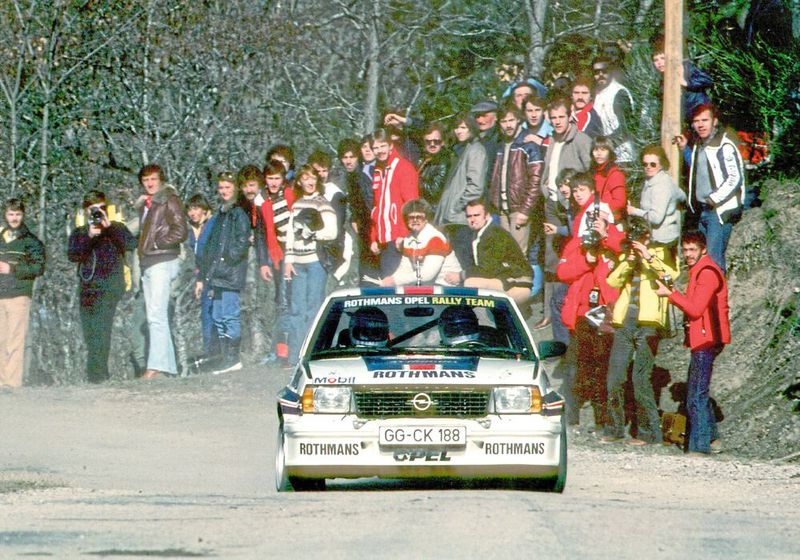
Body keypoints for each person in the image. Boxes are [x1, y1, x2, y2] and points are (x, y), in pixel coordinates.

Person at [601, 217, 679, 445]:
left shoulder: (660, 252)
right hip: (625, 321)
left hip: (648, 323)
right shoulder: (627, 255)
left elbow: (670, 276)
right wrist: (628, 262)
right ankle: (614, 428)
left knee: (640, 379)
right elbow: (612, 281)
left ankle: (648, 432)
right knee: (614, 377)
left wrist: (648, 256)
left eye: (641, 236)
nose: (636, 240)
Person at [556, 172, 623, 427]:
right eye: (589, 221)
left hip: (605, 311)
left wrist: (606, 233)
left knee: (601, 366)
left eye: (597, 220)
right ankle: (571, 416)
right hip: (582, 312)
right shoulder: (578, 244)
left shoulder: (611, 241)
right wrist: (587, 259)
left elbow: (624, 247)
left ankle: (603, 418)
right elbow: (562, 271)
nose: (592, 225)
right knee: (574, 367)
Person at [656, 230, 730, 455]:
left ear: (703, 250)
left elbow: (696, 309)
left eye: (692, 250)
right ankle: (712, 440)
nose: (688, 254)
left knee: (696, 394)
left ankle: (700, 448)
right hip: (704, 337)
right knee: (698, 391)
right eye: (685, 249)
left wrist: (670, 295)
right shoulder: (698, 269)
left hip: (707, 338)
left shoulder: (706, 273)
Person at [68, 190, 137, 383]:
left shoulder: (116, 228)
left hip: (109, 286)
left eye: (101, 209)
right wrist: (89, 236)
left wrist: (109, 228)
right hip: (87, 288)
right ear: (86, 212)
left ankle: (98, 375)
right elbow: (73, 255)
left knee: (102, 329)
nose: (98, 213)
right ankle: (95, 374)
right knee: (90, 332)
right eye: (93, 210)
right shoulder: (80, 232)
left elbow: (130, 244)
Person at [675, 103, 745, 275]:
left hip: (719, 211)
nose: (700, 125)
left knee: (714, 261)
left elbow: (734, 178)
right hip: (703, 210)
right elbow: (698, 167)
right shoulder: (700, 145)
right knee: (702, 260)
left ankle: (717, 301)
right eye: (696, 121)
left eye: (705, 120)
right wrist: (685, 150)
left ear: (714, 121)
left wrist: (715, 198)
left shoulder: (724, 146)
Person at [135, 164, 188, 379]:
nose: (149, 183)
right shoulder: (145, 204)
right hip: (148, 262)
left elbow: (181, 230)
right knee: (154, 315)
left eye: (153, 179)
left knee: (156, 315)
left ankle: (155, 367)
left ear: (161, 180)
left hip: (162, 260)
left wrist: (158, 243)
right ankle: (167, 368)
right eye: (145, 180)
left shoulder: (169, 199)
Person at [195, 172, 251, 374]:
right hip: (217, 274)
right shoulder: (220, 214)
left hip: (230, 273)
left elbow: (241, 242)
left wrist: (227, 260)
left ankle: (233, 358)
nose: (224, 191)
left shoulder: (238, 214)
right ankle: (224, 357)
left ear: (235, 189)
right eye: (221, 188)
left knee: (229, 315)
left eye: (228, 187)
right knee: (218, 315)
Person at [284, 165, 338, 364]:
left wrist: (312, 233)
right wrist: (288, 260)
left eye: (312, 178)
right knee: (297, 309)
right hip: (298, 263)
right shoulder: (297, 204)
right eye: (305, 178)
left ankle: (311, 355)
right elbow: (291, 234)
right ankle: (294, 357)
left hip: (316, 261)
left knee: (313, 309)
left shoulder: (323, 204)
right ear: (299, 181)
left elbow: (332, 232)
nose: (309, 182)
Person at [486, 100, 543, 255]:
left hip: (519, 208)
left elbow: (535, 180)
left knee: (518, 255)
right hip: (503, 209)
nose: (508, 125)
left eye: (511, 120)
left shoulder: (528, 145)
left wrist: (525, 210)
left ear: (519, 119)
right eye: (504, 121)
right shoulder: (501, 145)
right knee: (506, 254)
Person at [0, 198, 45, 388]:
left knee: (14, 341)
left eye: (18, 214)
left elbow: (38, 268)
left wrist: (13, 269)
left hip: (18, 295)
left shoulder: (31, 241)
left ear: (23, 215)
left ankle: (11, 385)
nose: (14, 218)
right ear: (5, 215)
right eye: (11, 214)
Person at [258, 161, 296, 365]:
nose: (273, 183)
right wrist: (264, 261)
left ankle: (297, 347)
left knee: (295, 301)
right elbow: (262, 232)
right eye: (270, 178)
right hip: (278, 255)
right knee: (283, 302)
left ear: (283, 179)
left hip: (296, 253)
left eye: (277, 178)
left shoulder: (291, 194)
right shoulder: (262, 200)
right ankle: (282, 352)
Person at [462, 199, 532, 307]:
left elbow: (488, 269)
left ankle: (478, 320)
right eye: (469, 216)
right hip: (501, 278)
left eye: (476, 215)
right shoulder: (476, 234)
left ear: (487, 215)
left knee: (471, 283)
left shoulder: (495, 234)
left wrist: (461, 275)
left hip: (517, 283)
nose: (472, 219)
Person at [369, 128, 420, 278]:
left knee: (396, 287)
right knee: (386, 283)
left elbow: (412, 205)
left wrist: (404, 235)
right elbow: (377, 208)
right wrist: (374, 238)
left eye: (383, 146)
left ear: (391, 145)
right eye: (375, 148)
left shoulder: (403, 167)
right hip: (383, 239)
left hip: (398, 238)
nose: (380, 151)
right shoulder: (378, 169)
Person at [380, 199, 461, 288]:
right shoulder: (408, 239)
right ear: (406, 220)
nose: (415, 220)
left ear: (426, 219)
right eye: (411, 217)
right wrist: (390, 280)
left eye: (419, 217)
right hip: (428, 284)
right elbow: (405, 268)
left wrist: (395, 281)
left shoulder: (435, 238)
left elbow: (427, 274)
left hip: (447, 285)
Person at [627, 144, 686, 253]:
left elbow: (656, 218)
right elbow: (682, 195)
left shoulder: (661, 185)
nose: (648, 167)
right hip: (656, 236)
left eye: (653, 164)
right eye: (645, 164)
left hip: (662, 240)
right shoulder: (654, 180)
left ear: (662, 164)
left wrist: (633, 211)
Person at [434, 113, 487, 229]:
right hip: (452, 216)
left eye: (463, 127)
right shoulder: (461, 149)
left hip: (460, 217)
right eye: (456, 127)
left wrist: (457, 206)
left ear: (472, 128)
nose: (459, 131)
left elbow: (475, 187)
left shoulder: (476, 150)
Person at [542, 97, 593, 203]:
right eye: (554, 118)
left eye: (561, 117)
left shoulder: (581, 139)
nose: (557, 122)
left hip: (572, 202)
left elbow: (591, 172)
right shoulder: (551, 140)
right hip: (551, 201)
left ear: (570, 117)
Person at [651, 35, 713, 123]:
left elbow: (708, 79)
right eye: (656, 60)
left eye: (662, 58)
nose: (659, 63)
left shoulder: (685, 68)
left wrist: (687, 83)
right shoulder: (663, 79)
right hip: (685, 120)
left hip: (701, 114)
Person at [185, 194, 217, 358]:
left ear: (205, 209)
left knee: (214, 313)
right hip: (198, 276)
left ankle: (215, 353)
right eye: (190, 209)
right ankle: (209, 352)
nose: (192, 213)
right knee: (205, 314)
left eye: (196, 208)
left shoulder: (213, 224)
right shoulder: (191, 229)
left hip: (212, 275)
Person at [592, 56, 635, 167]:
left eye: (604, 71)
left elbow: (626, 128)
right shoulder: (598, 93)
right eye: (596, 72)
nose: (600, 75)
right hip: (605, 156)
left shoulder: (619, 92)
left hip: (623, 157)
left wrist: (605, 146)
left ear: (611, 70)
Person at [591, 135, 627, 221]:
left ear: (609, 152)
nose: (599, 153)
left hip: (611, 220)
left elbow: (620, 202)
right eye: (596, 150)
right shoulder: (593, 172)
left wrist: (600, 209)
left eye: (603, 150)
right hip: (596, 218)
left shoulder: (615, 174)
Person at [418, 122, 451, 207]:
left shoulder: (444, 162)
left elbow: (434, 191)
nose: (432, 144)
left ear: (442, 142)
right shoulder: (424, 159)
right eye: (428, 142)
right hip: (423, 206)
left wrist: (414, 180)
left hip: (434, 210)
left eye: (436, 141)